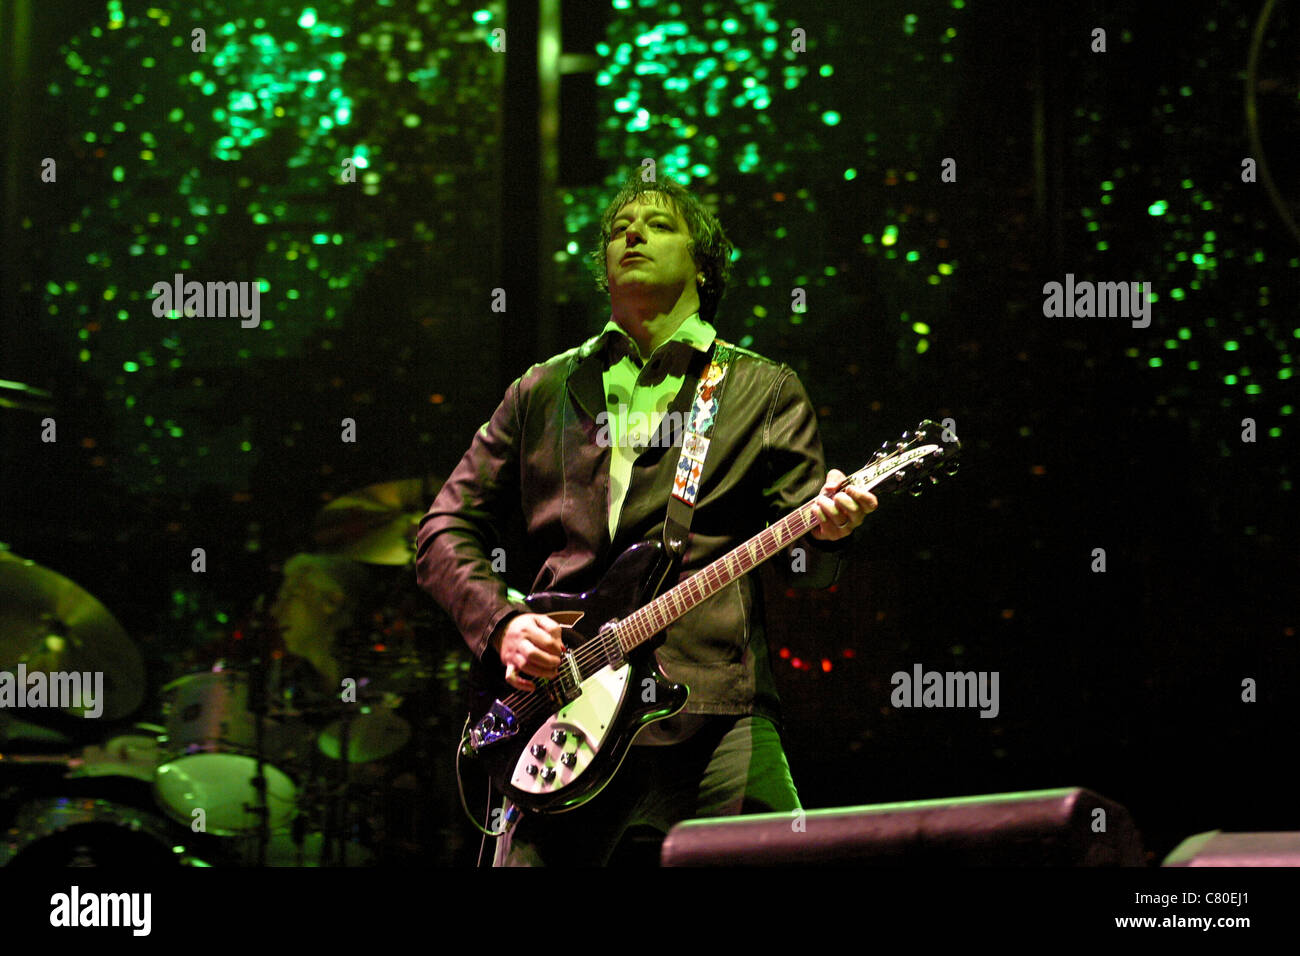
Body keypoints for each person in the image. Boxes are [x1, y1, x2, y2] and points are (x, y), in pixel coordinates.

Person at [416, 171, 876, 865]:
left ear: (704, 264)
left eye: (659, 224)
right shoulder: (542, 389)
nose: (632, 233)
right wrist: (502, 624)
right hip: (559, 711)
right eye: (618, 229)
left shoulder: (763, 389)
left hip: (714, 713)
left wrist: (829, 531)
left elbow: (805, 569)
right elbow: (442, 529)